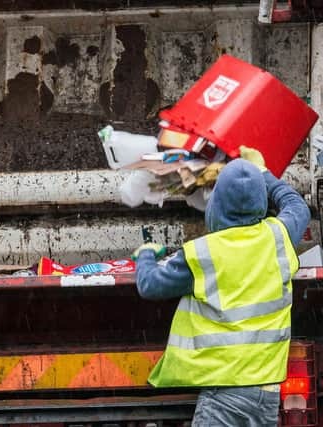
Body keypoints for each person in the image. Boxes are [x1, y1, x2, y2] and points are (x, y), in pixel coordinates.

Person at [131, 146, 311, 426]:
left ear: (216, 204)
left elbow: (149, 285)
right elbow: (296, 206)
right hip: (267, 392)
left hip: (224, 395)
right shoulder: (278, 237)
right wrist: (264, 174)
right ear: (261, 203)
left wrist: (145, 254)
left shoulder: (202, 254)